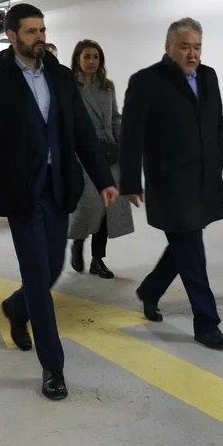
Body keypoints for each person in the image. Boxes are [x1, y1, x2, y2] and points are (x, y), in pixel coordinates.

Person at [0, 3, 118, 401]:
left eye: (43, 30)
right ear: (12, 35)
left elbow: (82, 133)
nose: (39, 38)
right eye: (31, 32)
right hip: (20, 190)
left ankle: (17, 308)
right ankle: (53, 366)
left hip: (58, 186)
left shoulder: (61, 76)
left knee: (52, 268)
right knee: (36, 273)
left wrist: (103, 179)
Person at [121, 18, 223, 350]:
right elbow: (131, 135)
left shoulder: (209, 76)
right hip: (169, 181)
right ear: (168, 47)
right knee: (192, 250)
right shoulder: (146, 81)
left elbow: (218, 124)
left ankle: (150, 290)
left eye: (197, 47)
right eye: (185, 47)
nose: (192, 54)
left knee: (185, 244)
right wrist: (130, 181)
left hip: (204, 179)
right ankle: (207, 323)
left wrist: (219, 157)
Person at [68, 39, 133, 278]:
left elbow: (115, 117)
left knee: (108, 207)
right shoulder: (70, 86)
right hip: (84, 154)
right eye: (87, 56)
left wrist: (120, 145)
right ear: (77, 59)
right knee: (88, 205)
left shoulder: (107, 86)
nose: (92, 61)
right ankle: (78, 241)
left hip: (109, 152)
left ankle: (98, 259)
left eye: (96, 57)